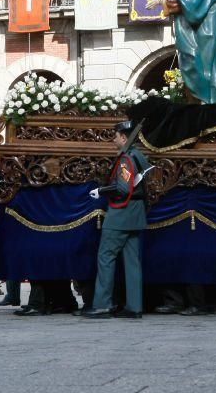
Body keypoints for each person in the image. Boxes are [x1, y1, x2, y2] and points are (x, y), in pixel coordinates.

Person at [83, 121, 151, 319]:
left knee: (106, 257)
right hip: (135, 214)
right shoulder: (139, 156)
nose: (114, 140)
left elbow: (123, 187)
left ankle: (103, 304)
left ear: (124, 137)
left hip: (121, 215)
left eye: (116, 136)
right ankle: (134, 306)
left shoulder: (126, 159)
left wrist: (101, 191)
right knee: (132, 262)